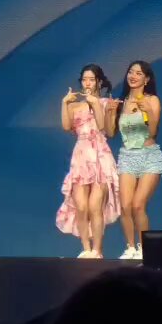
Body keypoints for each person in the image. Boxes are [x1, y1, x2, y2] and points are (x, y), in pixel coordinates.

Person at [57, 64, 121, 258]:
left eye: (91, 79)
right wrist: (64, 103)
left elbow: (104, 128)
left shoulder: (105, 103)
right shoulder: (74, 105)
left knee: (95, 206)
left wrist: (96, 104)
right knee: (81, 206)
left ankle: (97, 250)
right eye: (84, 79)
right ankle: (86, 249)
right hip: (81, 156)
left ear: (98, 82)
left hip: (100, 156)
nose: (87, 83)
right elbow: (66, 126)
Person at [109, 61, 162, 261]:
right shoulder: (122, 102)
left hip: (149, 156)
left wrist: (148, 111)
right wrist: (109, 112)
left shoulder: (152, 100)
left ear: (146, 79)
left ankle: (143, 249)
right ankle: (130, 247)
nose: (133, 76)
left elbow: (153, 131)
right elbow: (110, 132)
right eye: (131, 72)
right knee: (125, 206)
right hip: (127, 156)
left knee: (138, 205)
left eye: (138, 73)